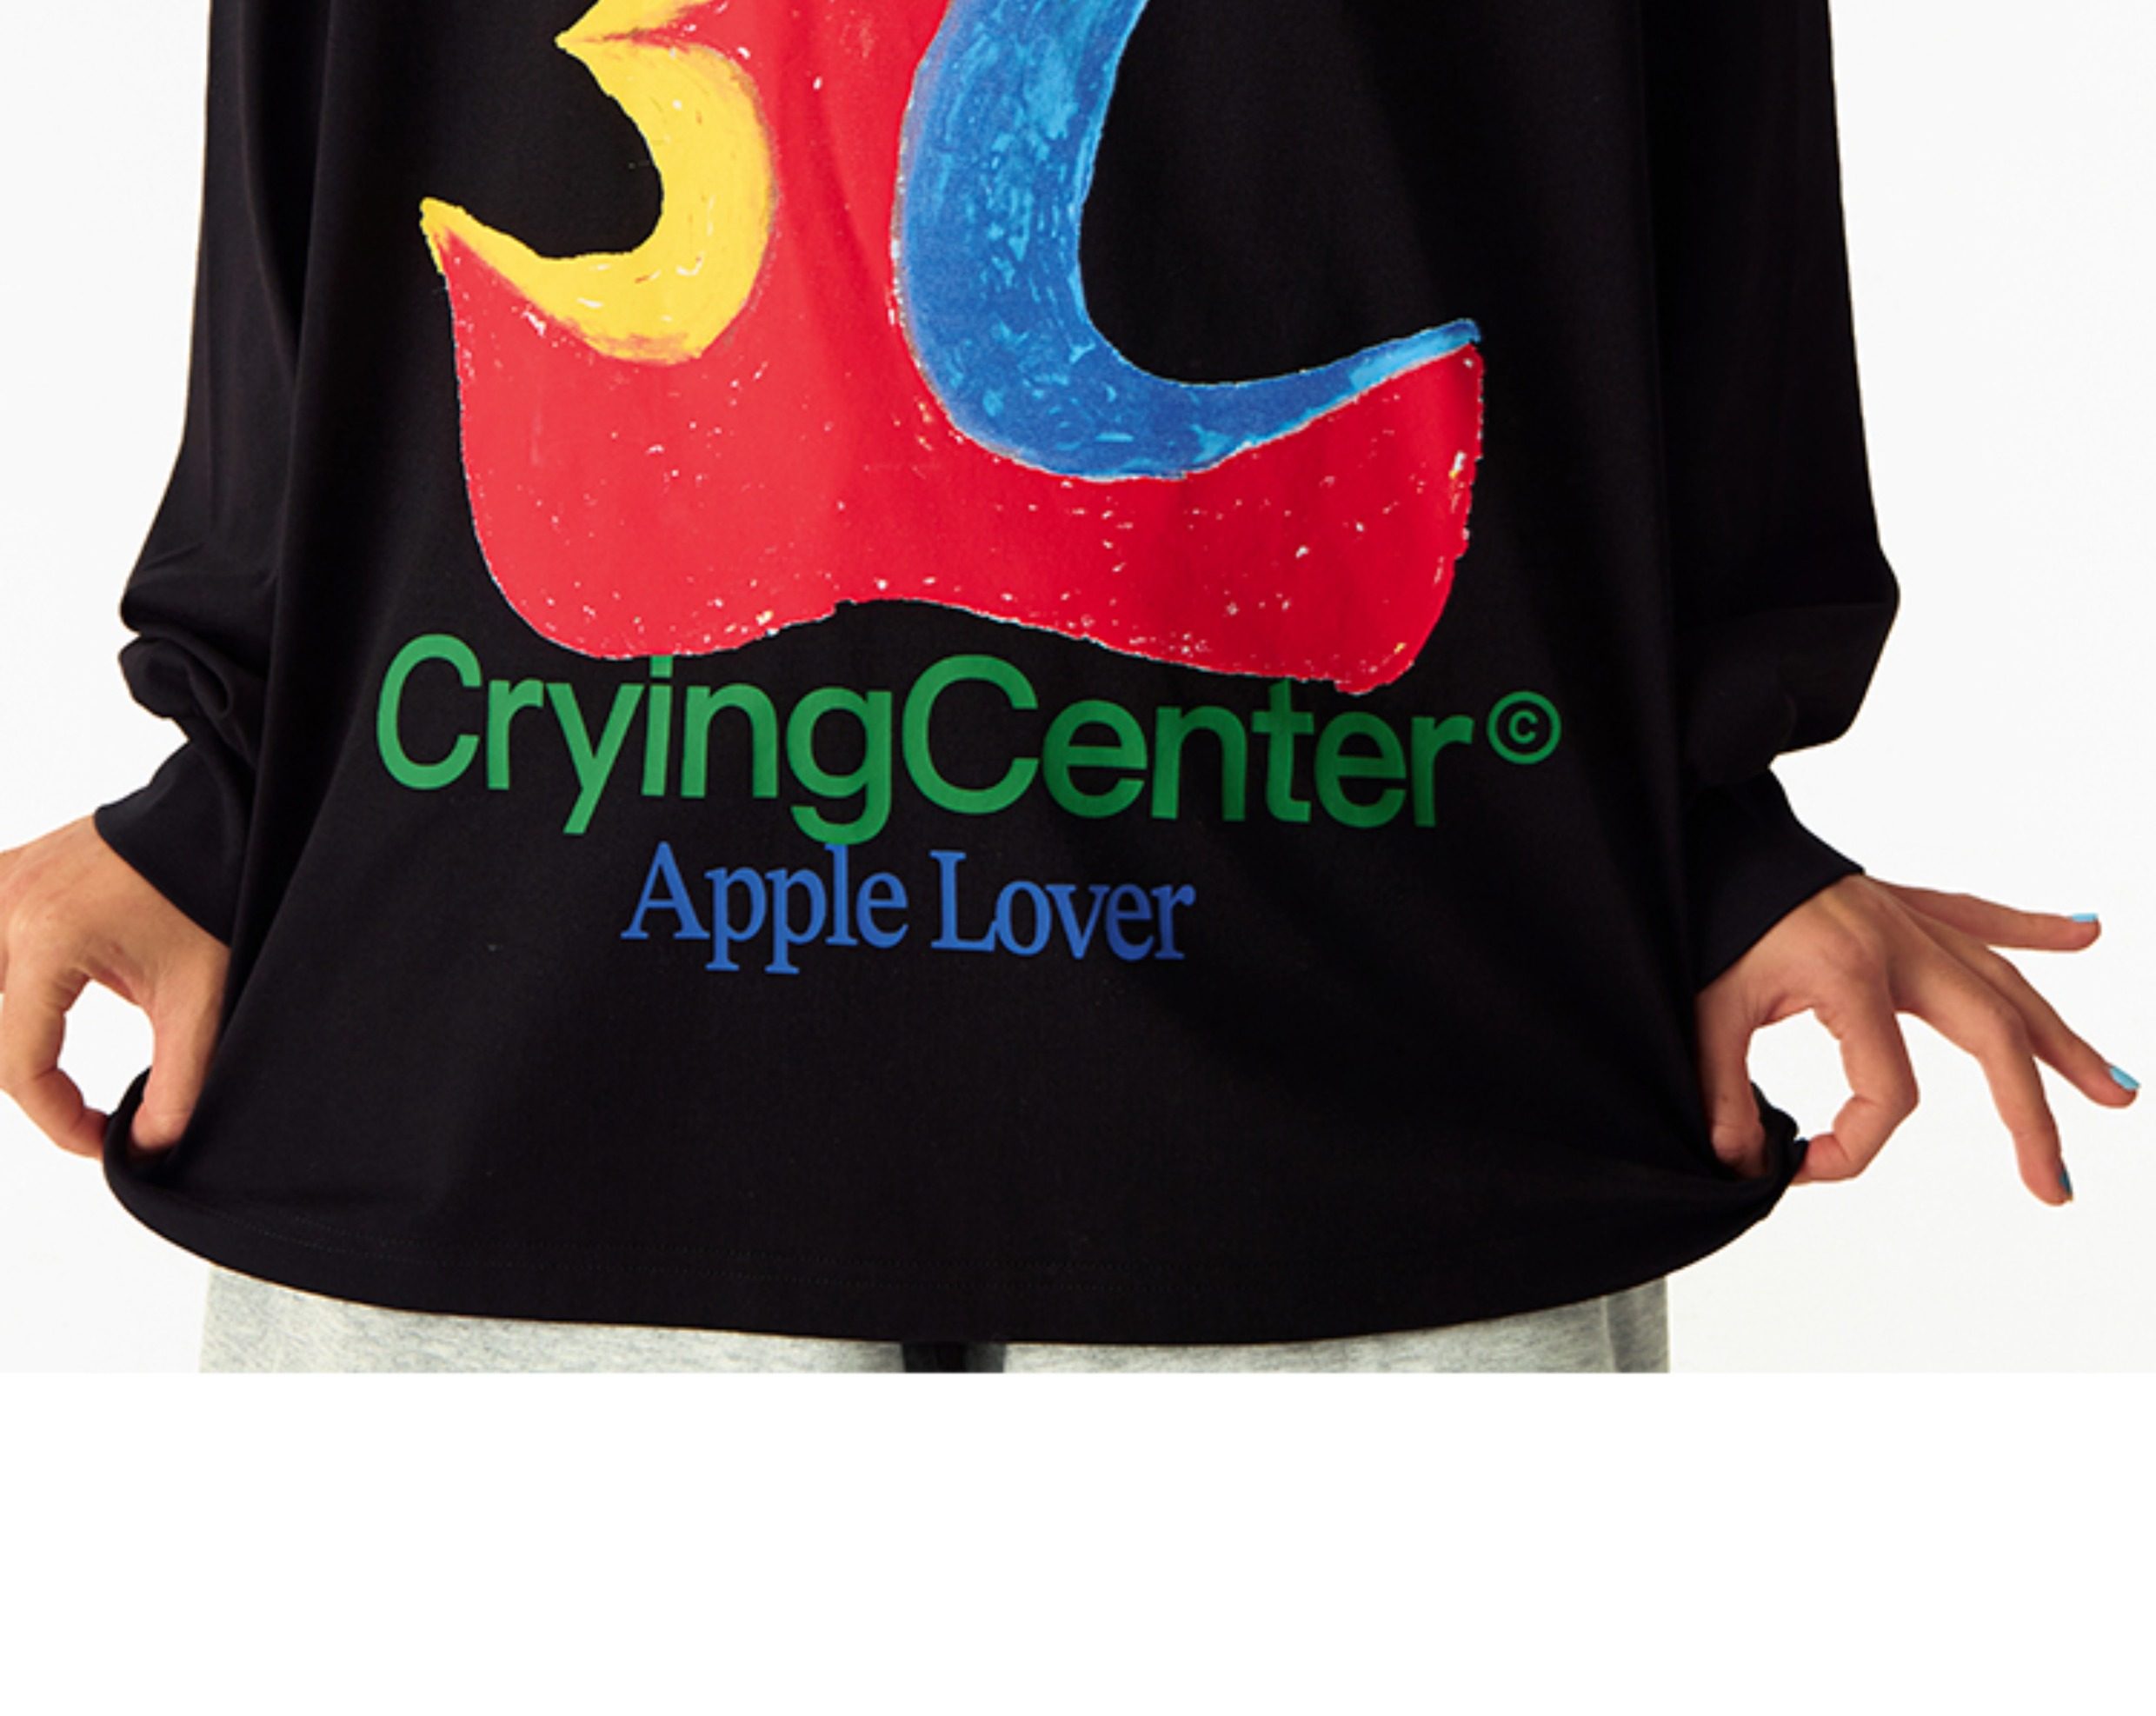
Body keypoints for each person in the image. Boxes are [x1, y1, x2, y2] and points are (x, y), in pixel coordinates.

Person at [0, 0, 2138, 1373]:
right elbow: (332, 126)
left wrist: (1718, 820)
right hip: (492, 1101)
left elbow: (1684, 165)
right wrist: (227, 780)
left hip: (1370, 1119)